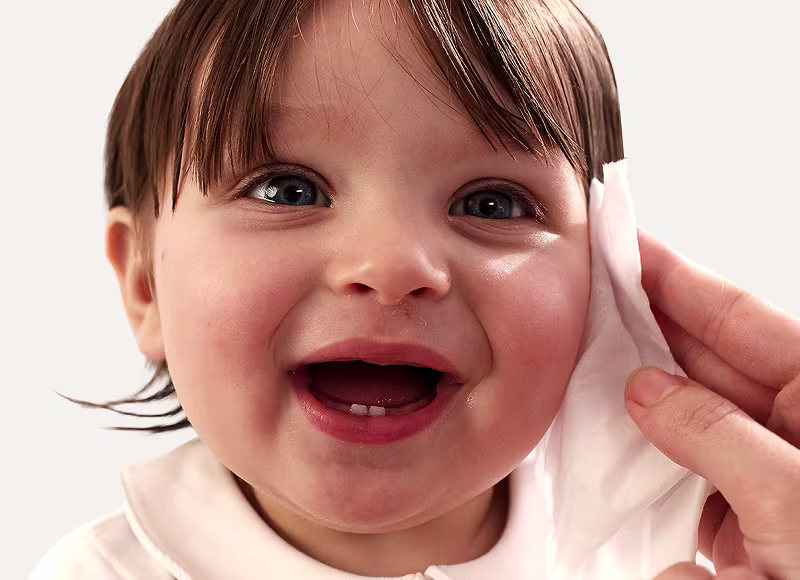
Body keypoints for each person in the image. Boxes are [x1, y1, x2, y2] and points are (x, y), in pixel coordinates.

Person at [29, 0, 800, 578]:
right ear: (144, 285)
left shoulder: (693, 546)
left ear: (605, 282)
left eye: (490, 204)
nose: (393, 264)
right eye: (287, 191)